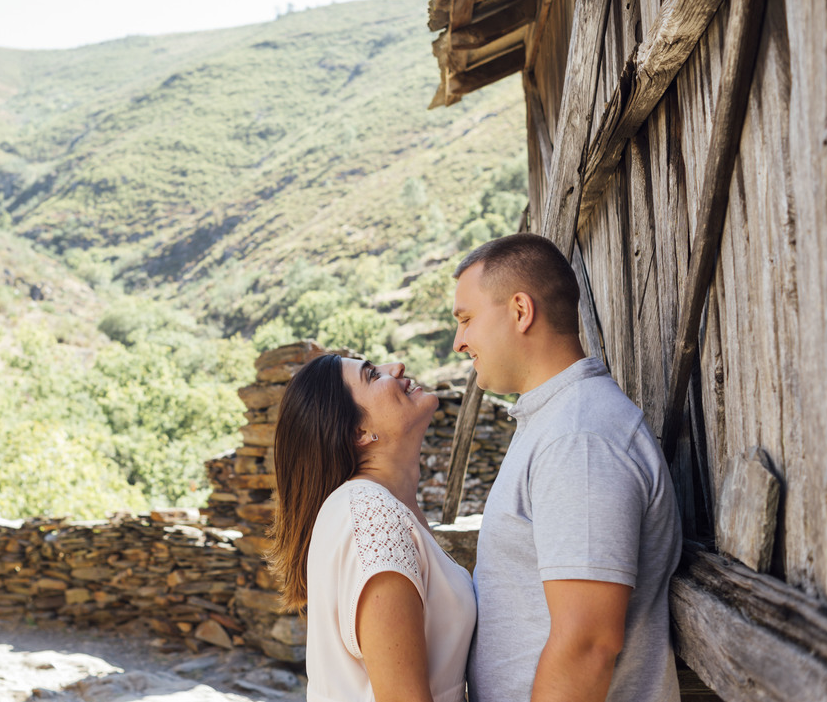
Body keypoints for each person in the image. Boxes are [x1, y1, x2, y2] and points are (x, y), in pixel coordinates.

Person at [451, 233, 681, 702]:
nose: (460, 342)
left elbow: (588, 644)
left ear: (520, 310)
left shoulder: (580, 438)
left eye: (466, 319)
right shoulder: (557, 424)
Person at [268, 353, 476, 702]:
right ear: (359, 432)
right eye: (372, 375)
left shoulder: (369, 507)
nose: (397, 368)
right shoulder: (373, 518)